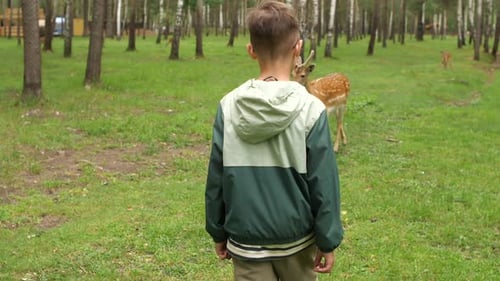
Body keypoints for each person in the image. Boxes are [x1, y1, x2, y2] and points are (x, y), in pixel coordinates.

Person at [205, 1, 343, 280]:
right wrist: (327, 239)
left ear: (251, 50)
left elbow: (216, 178)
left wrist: (217, 229)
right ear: (298, 48)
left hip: (246, 240)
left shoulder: (228, 107)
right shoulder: (311, 109)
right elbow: (323, 182)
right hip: (296, 241)